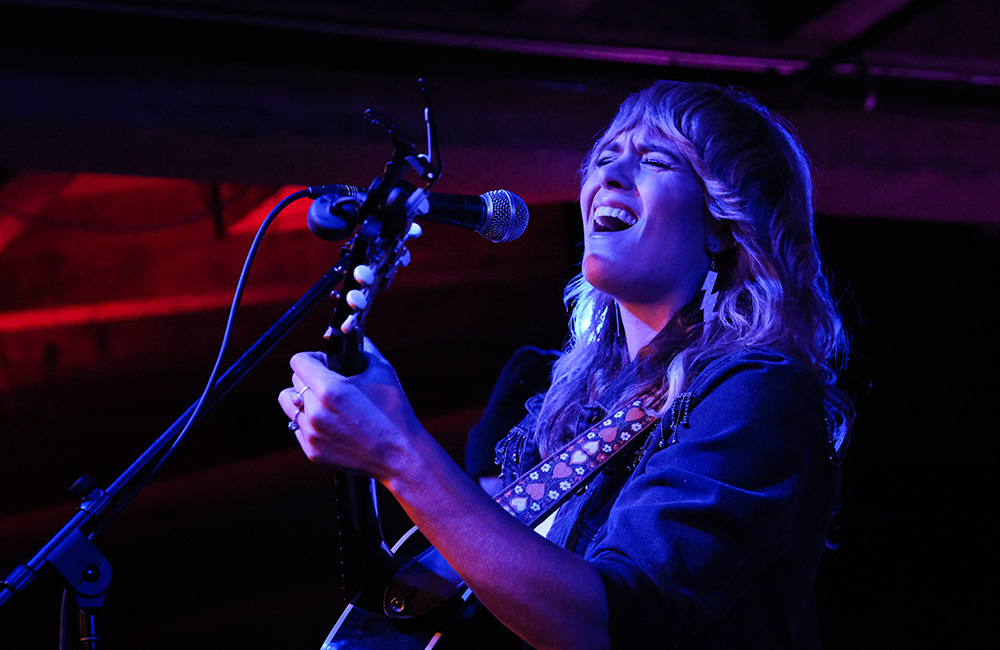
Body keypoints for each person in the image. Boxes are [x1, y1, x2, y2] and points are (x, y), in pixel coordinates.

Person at [278, 80, 854, 650]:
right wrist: (365, 459)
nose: (610, 173)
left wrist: (396, 450)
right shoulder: (581, 416)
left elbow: (611, 623)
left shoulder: (757, 394)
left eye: (655, 159)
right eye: (605, 155)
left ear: (721, 225)